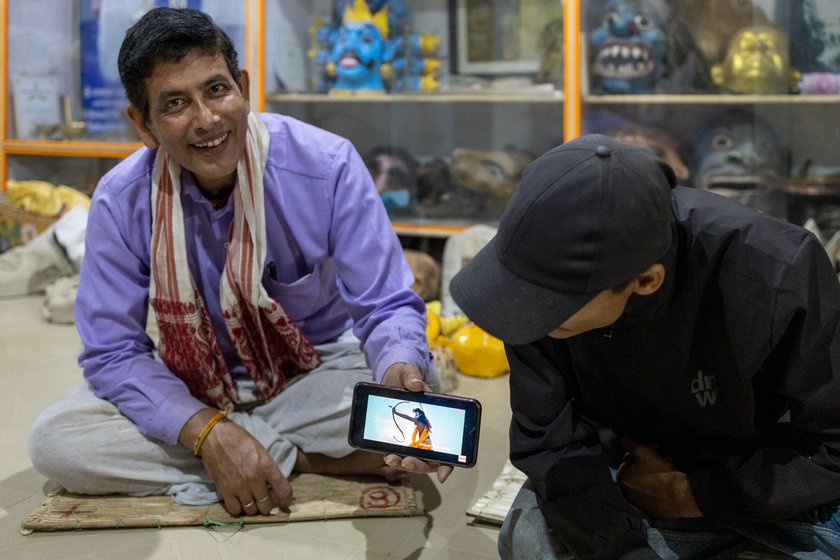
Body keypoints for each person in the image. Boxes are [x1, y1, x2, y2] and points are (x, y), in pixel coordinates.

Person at [27, 7, 451, 518]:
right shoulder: (121, 200)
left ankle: (256, 454)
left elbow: (385, 306)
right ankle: (307, 458)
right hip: (185, 382)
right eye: (176, 103)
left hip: (311, 374)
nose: (206, 119)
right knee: (56, 442)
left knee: (423, 400)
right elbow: (113, 354)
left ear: (243, 87)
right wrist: (207, 430)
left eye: (216, 90)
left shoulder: (328, 165)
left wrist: (398, 370)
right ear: (142, 123)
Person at [450, 134, 840, 559]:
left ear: (645, 281)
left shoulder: (777, 273)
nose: (523, 312)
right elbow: (549, 442)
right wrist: (624, 550)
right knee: (529, 537)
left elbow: (833, 448)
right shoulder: (531, 280)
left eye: (549, 304)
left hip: (763, 480)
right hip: (624, 478)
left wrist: (698, 495)